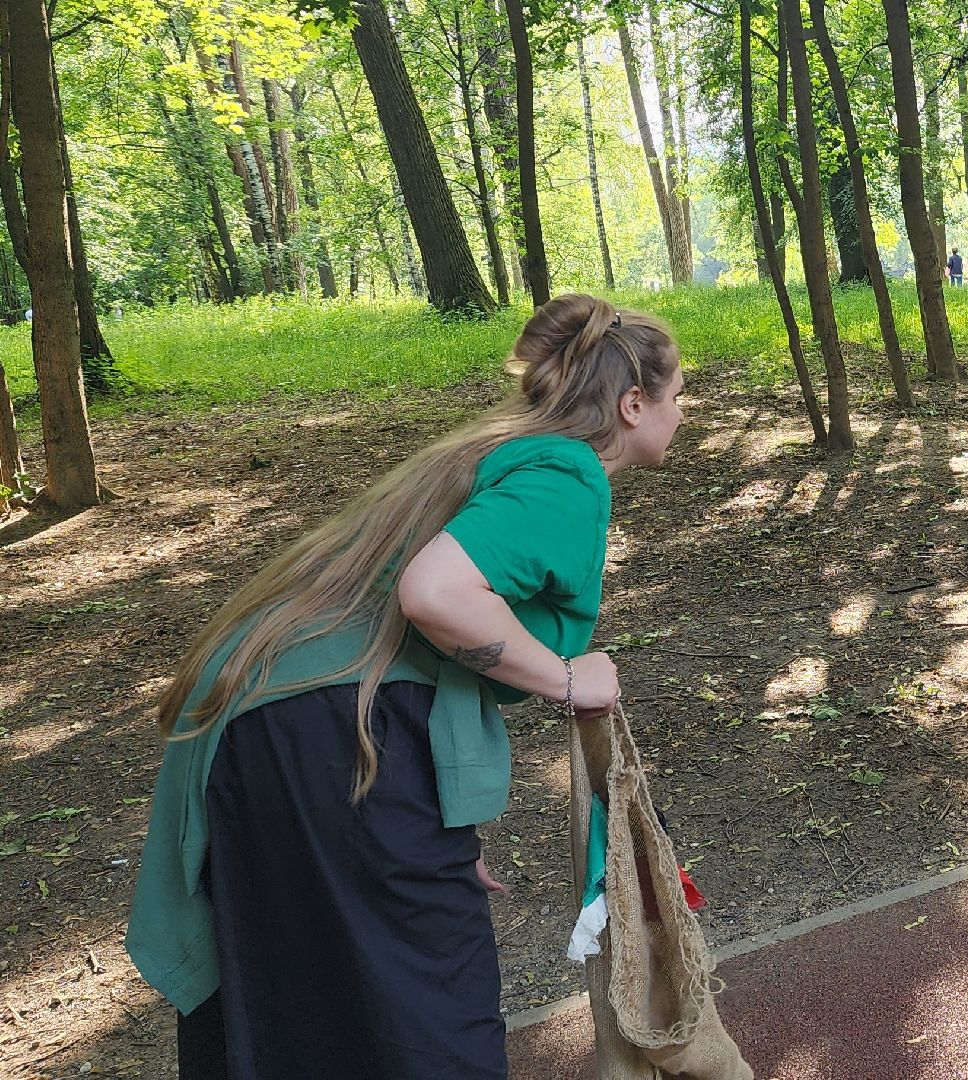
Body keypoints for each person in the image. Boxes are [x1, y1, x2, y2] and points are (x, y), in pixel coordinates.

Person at [127, 294, 685, 1079]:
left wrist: (426, 829)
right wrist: (567, 680)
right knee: (429, 1012)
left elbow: (410, 643)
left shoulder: (499, 452)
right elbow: (436, 598)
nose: (683, 412)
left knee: (298, 997)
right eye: (678, 394)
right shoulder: (568, 474)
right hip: (328, 729)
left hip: (275, 728)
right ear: (634, 404)